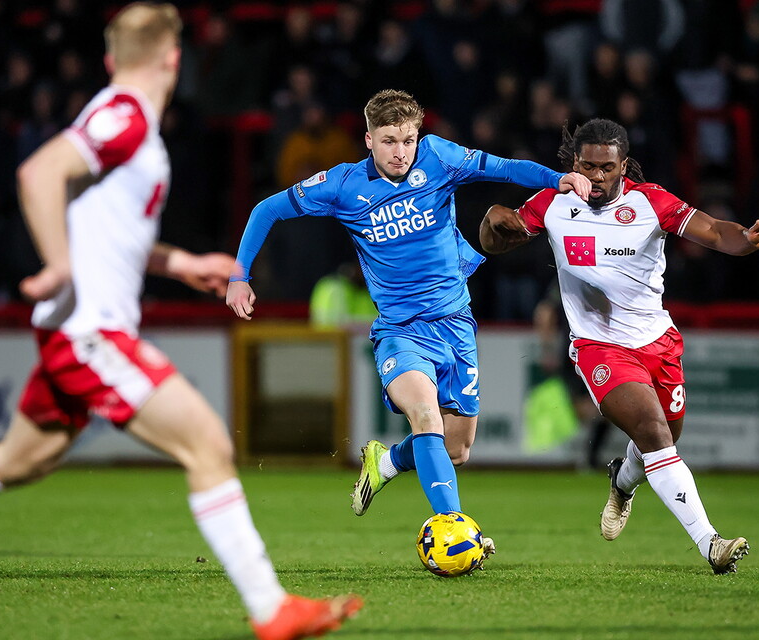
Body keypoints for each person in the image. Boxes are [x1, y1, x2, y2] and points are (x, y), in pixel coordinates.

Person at [0, 5, 362, 639]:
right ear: (173, 58)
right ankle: (271, 609)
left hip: (74, 330)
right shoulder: (126, 115)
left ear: (110, 58)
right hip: (91, 331)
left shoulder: (120, 120)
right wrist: (56, 265)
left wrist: (179, 261)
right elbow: (37, 172)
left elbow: (104, 226)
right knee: (209, 443)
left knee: (18, 463)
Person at [226, 90, 591, 540]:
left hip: (455, 323)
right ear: (368, 140)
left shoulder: (439, 157)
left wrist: (559, 179)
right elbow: (267, 209)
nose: (401, 151)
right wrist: (239, 275)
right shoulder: (342, 185)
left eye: (408, 139)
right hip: (400, 331)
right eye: (389, 141)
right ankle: (454, 527)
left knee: (456, 450)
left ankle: (388, 461)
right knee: (425, 416)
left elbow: (505, 167)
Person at [479, 118, 759, 574]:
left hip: (657, 342)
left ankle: (623, 481)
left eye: (606, 167)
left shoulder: (651, 201)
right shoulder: (554, 204)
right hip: (598, 346)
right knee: (655, 434)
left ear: (624, 166)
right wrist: (491, 222)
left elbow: (717, 231)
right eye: (587, 166)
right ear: (574, 164)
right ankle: (710, 544)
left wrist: (748, 239)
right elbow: (497, 242)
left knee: (661, 439)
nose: (596, 177)